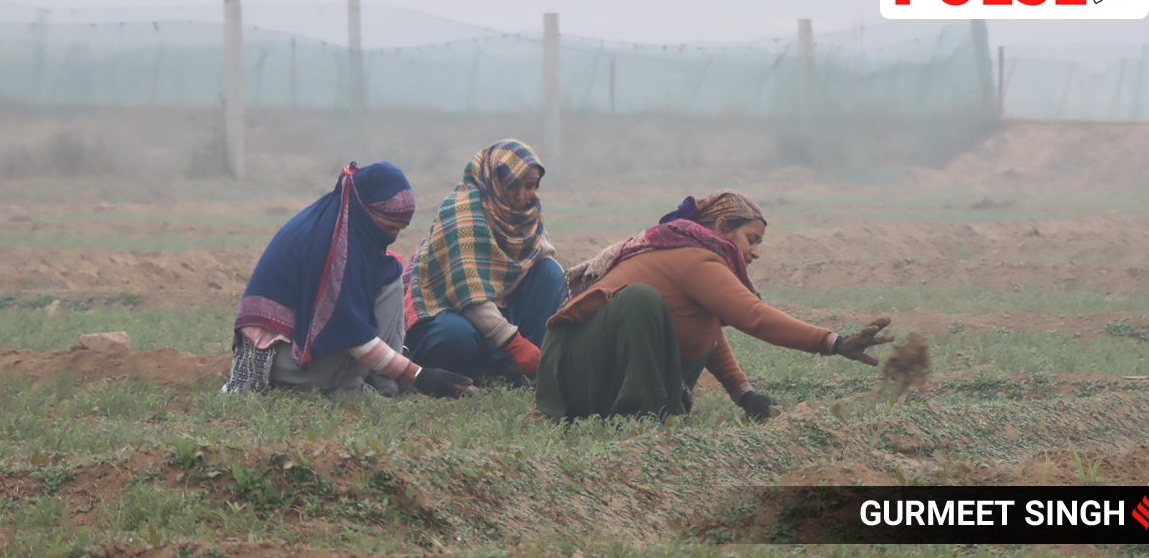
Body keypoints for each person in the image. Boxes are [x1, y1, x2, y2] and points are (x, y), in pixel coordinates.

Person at [536, 191, 893, 422]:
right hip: (574, 375)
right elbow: (753, 317)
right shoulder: (695, 258)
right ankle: (639, 419)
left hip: (595, 379)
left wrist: (744, 393)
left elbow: (706, 331)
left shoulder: (698, 261)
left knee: (661, 309)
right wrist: (834, 342)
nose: (756, 252)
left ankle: (654, 412)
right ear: (722, 227)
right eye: (751, 240)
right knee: (639, 299)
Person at [222, 161, 475, 399]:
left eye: (399, 230)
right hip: (281, 360)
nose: (393, 237)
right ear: (365, 211)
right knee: (367, 309)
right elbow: (349, 333)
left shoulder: (347, 229)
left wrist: (403, 375)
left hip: (306, 346)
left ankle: (383, 381)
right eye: (388, 227)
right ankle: (349, 389)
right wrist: (419, 375)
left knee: (389, 277)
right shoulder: (331, 248)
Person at [403, 139, 568, 383]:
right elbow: (468, 294)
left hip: (498, 309)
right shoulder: (461, 213)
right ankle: (483, 371)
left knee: (550, 273)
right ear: (496, 181)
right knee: (456, 338)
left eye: (531, 186)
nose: (522, 196)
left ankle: (525, 368)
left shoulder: (527, 213)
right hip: (446, 309)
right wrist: (514, 344)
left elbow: (541, 256)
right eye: (513, 186)